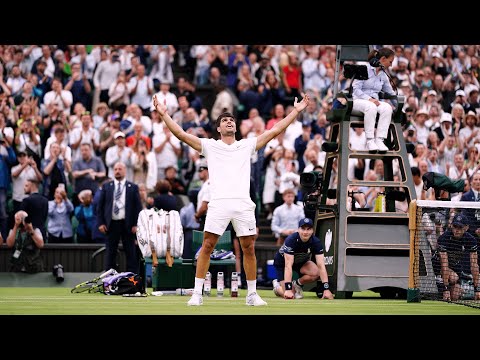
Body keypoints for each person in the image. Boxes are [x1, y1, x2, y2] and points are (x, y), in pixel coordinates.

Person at [153, 91, 310, 306]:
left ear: (235, 127)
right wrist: (163, 114)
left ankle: (252, 295)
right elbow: (180, 134)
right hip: (218, 204)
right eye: (224, 120)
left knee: (249, 248)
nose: (229, 122)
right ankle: (197, 293)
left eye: (231, 120)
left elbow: (275, 130)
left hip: (243, 204)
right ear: (218, 128)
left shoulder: (246, 145)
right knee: (207, 246)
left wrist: (296, 111)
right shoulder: (209, 145)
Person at [271, 217, 334, 300]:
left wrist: (326, 289)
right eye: (303, 229)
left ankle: (297, 284)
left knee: (316, 273)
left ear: (312, 230)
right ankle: (277, 287)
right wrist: (288, 289)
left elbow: (321, 265)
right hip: (282, 264)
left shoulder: (316, 242)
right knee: (290, 295)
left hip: (300, 262)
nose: (305, 232)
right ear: (298, 230)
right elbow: (288, 266)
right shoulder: (291, 240)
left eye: (308, 229)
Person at [97, 162, 142, 273]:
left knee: (130, 252)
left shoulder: (133, 187)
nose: (117, 171)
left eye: (120, 169)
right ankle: (109, 278)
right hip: (111, 224)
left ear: (125, 171)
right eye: (115, 169)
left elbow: (138, 207)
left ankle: (132, 278)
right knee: (110, 252)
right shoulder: (107, 186)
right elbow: (100, 207)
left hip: (128, 224)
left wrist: (137, 224)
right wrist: (101, 223)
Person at [352, 47, 396, 153]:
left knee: (387, 107)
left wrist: (400, 107)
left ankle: (379, 140)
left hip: (374, 102)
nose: (391, 65)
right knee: (370, 106)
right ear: (383, 59)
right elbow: (355, 89)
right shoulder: (363, 69)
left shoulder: (383, 74)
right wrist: (369, 99)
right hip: (358, 101)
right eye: (390, 62)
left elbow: (391, 93)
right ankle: (370, 141)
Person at [438, 214, 480, 301]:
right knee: (453, 277)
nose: (456, 230)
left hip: (455, 269)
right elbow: (444, 264)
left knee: (455, 296)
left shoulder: (471, 240)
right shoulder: (444, 238)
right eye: (455, 226)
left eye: (460, 227)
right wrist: (445, 289)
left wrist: (477, 289)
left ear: (466, 228)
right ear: (451, 226)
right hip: (438, 268)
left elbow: (474, 265)